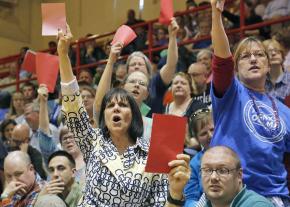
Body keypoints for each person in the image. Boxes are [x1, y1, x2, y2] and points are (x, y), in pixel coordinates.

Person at [57, 24, 190, 206]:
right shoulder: (92, 141)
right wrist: (64, 56)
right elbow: (73, 106)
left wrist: (175, 193)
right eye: (110, 105)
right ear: (104, 115)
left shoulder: (151, 154)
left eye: (123, 105)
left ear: (134, 115)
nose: (116, 108)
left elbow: (160, 203)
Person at [209, 0, 290, 206]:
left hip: (274, 196)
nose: (253, 59)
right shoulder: (231, 92)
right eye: (245, 56)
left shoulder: (284, 111)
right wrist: (216, 16)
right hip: (232, 194)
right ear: (236, 68)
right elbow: (222, 61)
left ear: (267, 63)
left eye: (259, 54)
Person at [125, 18, 179, 116]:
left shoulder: (155, 82)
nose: (136, 66)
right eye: (133, 65)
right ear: (127, 71)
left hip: (154, 129)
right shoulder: (121, 90)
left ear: (148, 69)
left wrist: (172, 36)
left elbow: (171, 65)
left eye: (140, 64)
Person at [200, 146, 274, 207]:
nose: (213, 177)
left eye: (222, 171)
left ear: (239, 175)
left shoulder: (258, 205)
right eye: (207, 170)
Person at [184, 108, 213, 206]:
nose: (210, 135)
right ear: (197, 139)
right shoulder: (194, 163)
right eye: (203, 133)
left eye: (212, 129)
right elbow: (190, 197)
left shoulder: (233, 152)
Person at [263, 39, 290, 105]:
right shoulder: (260, 82)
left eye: (277, 51)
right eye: (269, 52)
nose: (273, 53)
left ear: (282, 55)